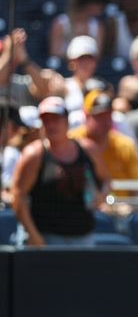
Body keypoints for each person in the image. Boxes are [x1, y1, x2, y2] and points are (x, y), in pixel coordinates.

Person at [11, 97, 110, 247]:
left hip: (83, 237)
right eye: (46, 120)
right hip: (45, 238)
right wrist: (33, 235)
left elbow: (106, 180)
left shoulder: (89, 150)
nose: (51, 125)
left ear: (67, 121)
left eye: (56, 119)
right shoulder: (34, 155)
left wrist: (101, 196)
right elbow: (18, 196)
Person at [68, 90, 138, 206]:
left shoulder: (125, 145)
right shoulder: (72, 142)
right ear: (86, 116)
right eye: (99, 117)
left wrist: (131, 208)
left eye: (108, 115)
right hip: (79, 210)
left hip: (119, 215)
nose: (105, 121)